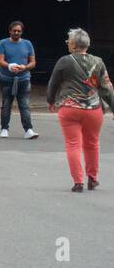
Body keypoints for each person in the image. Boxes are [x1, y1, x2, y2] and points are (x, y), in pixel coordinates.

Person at [47, 28, 114, 192]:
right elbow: (106, 87)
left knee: (73, 145)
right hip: (93, 110)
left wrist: (51, 100)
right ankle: (93, 178)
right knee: (92, 144)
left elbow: (53, 84)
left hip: (70, 108)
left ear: (72, 44)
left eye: (68, 41)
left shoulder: (64, 61)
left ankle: (78, 182)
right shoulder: (98, 62)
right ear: (87, 44)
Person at [0, 21, 39, 139]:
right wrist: (9, 66)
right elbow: (0, 61)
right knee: (6, 104)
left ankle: (28, 129)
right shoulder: (3, 43)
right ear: (10, 31)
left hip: (24, 78)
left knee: (24, 104)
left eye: (19, 31)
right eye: (14, 30)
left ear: (21, 32)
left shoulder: (28, 44)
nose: (16, 33)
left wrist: (24, 67)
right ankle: (4, 128)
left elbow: (33, 62)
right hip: (7, 78)